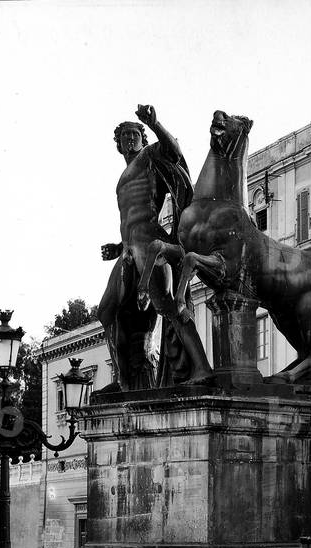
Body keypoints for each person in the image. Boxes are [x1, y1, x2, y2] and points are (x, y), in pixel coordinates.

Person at [98, 104, 212, 390]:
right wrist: (117, 246)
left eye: (135, 134)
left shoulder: (150, 157)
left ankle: (202, 367)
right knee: (106, 312)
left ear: (143, 138)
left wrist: (155, 123)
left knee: (169, 305)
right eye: (125, 136)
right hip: (128, 247)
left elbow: (174, 152)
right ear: (118, 144)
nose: (130, 139)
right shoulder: (120, 180)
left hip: (149, 240)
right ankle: (124, 381)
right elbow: (127, 219)